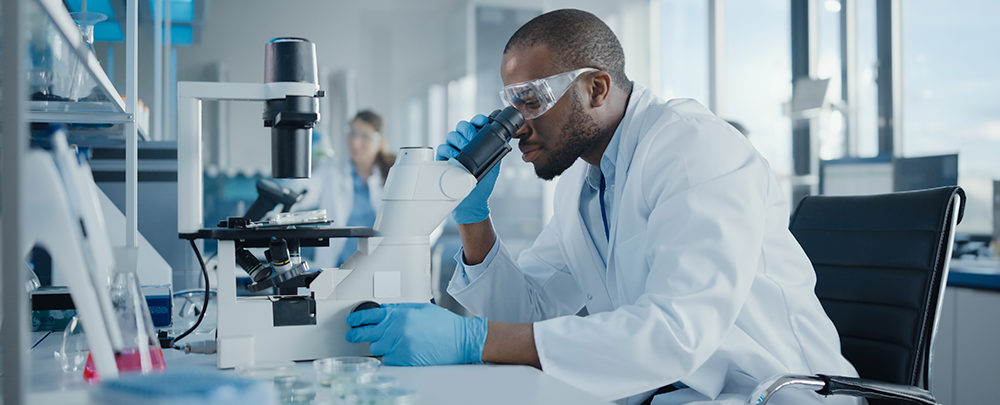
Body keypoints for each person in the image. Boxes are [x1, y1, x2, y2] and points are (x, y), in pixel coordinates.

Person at [345, 9, 858, 405]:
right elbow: (531, 315)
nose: (517, 123)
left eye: (532, 99)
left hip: (776, 391)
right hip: (675, 391)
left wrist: (471, 339)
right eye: (511, 102)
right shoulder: (583, 181)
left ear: (596, 88)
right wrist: (472, 218)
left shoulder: (693, 149)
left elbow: (675, 334)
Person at [292, 110, 395, 268]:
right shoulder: (331, 171)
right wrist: (299, 153)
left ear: (379, 141)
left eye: (364, 137)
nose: (355, 142)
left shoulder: (393, 174)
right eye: (352, 134)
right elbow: (299, 196)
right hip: (340, 266)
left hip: (381, 265)